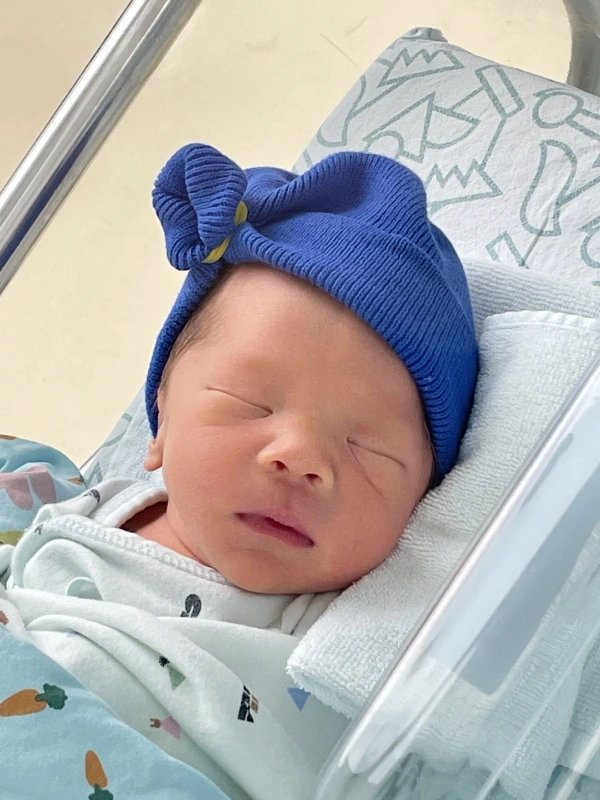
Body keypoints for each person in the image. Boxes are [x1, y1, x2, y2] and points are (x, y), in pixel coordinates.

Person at [0, 144, 478, 800]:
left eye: (368, 449)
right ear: (162, 420)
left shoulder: (343, 642)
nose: (300, 456)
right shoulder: (77, 508)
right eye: (250, 402)